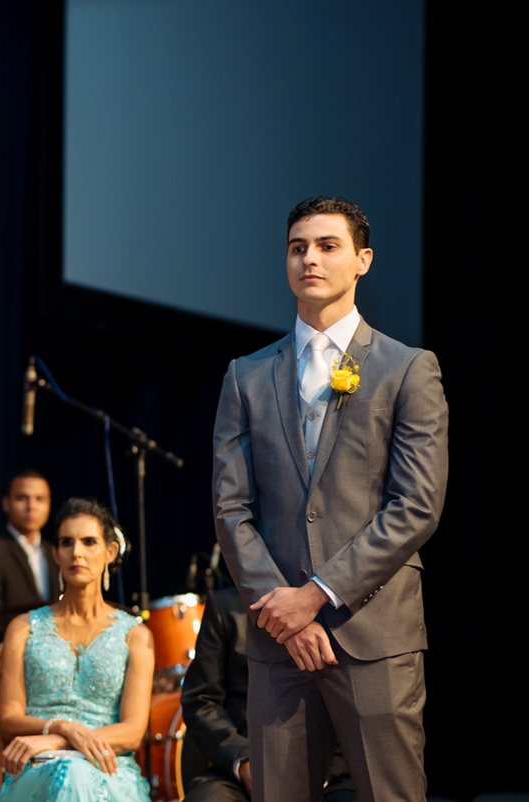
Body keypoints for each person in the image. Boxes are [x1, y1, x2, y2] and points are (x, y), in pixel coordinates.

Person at [211, 196, 448, 801]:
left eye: (327, 246)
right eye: (297, 248)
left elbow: (416, 504)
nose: (308, 259)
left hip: (373, 634)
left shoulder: (407, 369)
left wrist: (315, 596)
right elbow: (231, 508)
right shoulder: (247, 375)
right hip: (278, 641)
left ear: (363, 260)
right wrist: (282, 612)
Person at [0, 498, 153, 802]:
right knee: (72, 773)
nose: (76, 552)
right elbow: (8, 721)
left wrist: (57, 740)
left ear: (110, 552)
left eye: (89, 542)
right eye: (66, 543)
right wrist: (63, 726)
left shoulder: (135, 634)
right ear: (55, 553)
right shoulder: (22, 628)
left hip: (110, 770)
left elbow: (133, 732)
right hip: (34, 769)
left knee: (77, 773)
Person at [181, 586, 355, 802]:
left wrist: (322, 769)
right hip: (243, 768)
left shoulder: (336, 601)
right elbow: (200, 701)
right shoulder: (226, 605)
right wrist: (243, 762)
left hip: (331, 775)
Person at [0, 470, 61, 666]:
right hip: (10, 663)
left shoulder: (57, 552)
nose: (31, 506)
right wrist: (36, 645)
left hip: (57, 662)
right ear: (6, 503)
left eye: (40, 499)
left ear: (49, 505)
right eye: (22, 498)